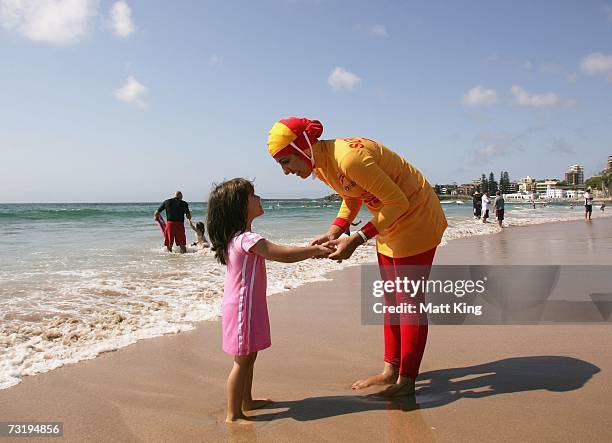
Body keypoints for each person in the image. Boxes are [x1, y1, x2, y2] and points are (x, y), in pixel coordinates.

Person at [267, 117, 447, 397]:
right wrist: (334, 231)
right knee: (391, 300)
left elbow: (399, 201)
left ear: (303, 148)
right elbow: (352, 196)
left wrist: (359, 238)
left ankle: (407, 382)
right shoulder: (324, 163)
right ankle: (391, 371)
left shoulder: (349, 158)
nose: (286, 172)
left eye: (286, 162)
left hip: (417, 219)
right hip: (391, 223)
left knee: (408, 302)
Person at [206, 178, 333, 423]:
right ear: (239, 206)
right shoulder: (246, 239)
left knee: (249, 356)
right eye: (252, 196)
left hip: (245, 307)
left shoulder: (239, 238)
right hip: (243, 309)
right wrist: (315, 250)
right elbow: (282, 255)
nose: (258, 198)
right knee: (242, 361)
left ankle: (247, 401)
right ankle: (233, 415)